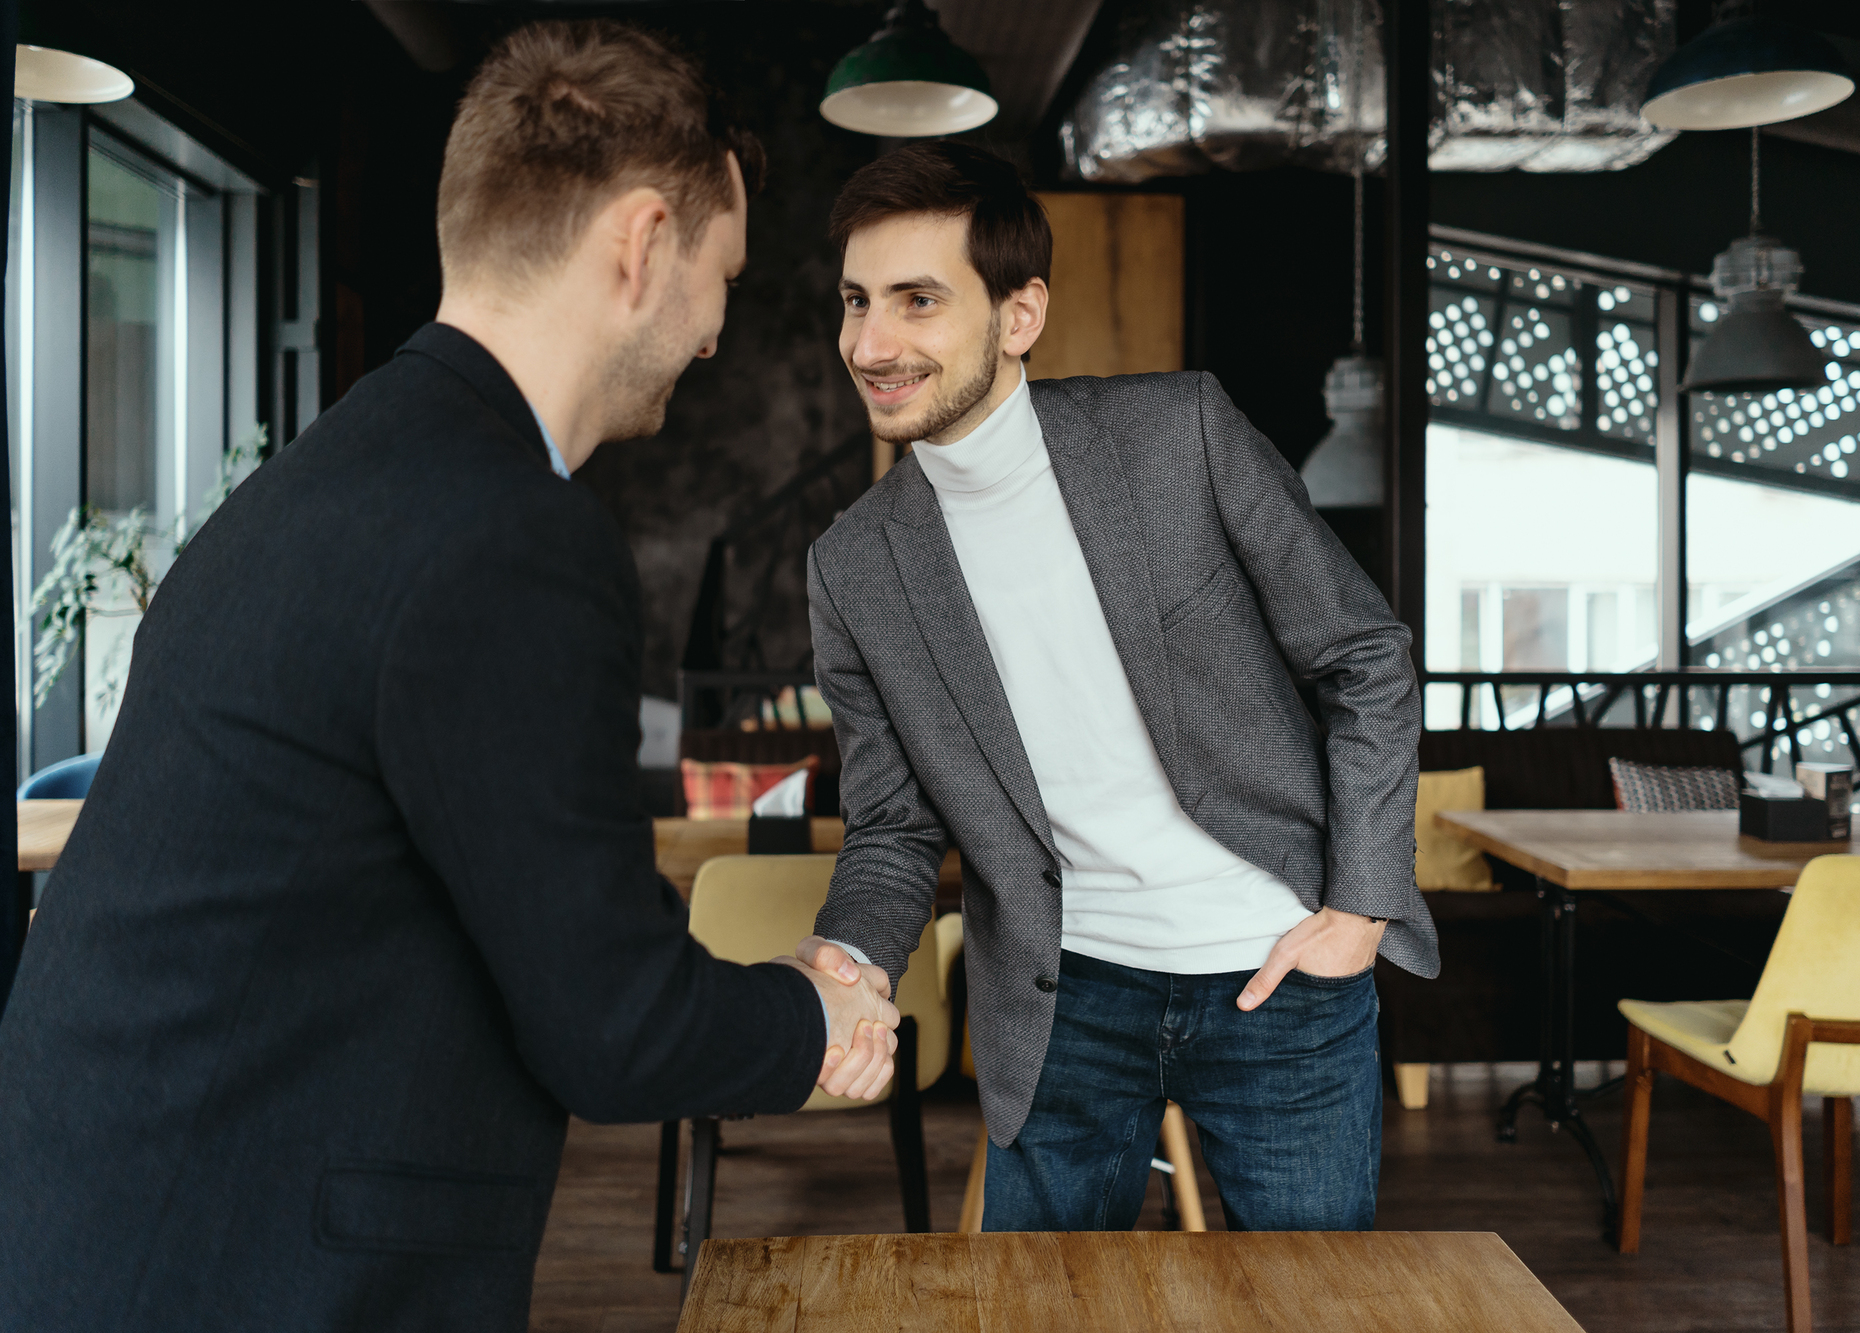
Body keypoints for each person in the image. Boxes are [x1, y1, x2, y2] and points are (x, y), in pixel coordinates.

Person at [0, 22, 896, 1333]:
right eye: (726, 277)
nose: (716, 334)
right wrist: (812, 1021)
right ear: (643, 245)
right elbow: (614, 1030)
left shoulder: (334, 478)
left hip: (118, 1235)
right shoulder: (508, 532)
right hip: (232, 1273)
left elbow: (504, 865)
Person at [795, 142, 1437, 1233]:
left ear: (1018, 314)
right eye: (856, 302)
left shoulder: (1175, 433)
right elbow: (893, 826)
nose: (869, 342)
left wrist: (1358, 907)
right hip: (1061, 995)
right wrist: (850, 955)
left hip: (1276, 970)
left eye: (916, 301)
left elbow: (1363, 655)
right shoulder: (851, 566)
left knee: (1310, 1315)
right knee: (1039, 1313)